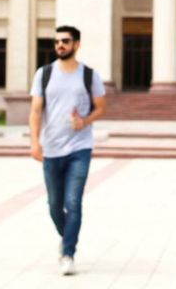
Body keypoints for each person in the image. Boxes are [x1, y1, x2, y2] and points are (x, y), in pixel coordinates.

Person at [29, 25, 107, 277]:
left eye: (65, 41)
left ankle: (68, 253)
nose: (60, 45)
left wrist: (83, 121)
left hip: (79, 148)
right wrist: (34, 142)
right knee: (54, 205)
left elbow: (100, 107)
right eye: (57, 41)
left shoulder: (89, 75)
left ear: (76, 44)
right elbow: (36, 110)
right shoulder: (44, 74)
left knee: (73, 202)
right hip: (51, 149)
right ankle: (67, 238)